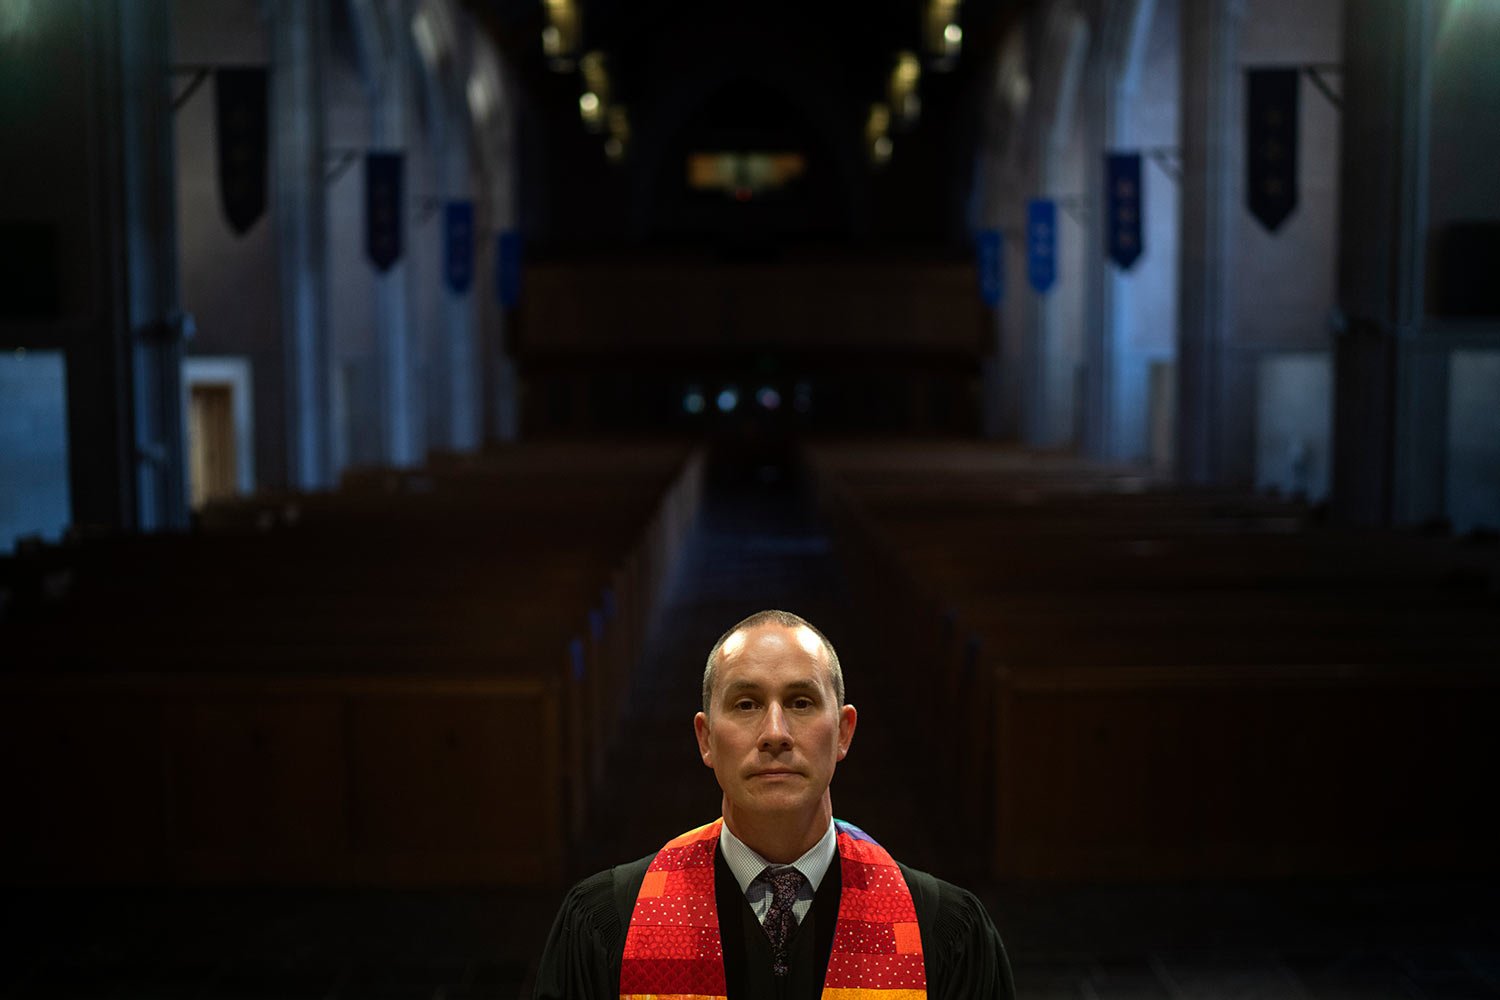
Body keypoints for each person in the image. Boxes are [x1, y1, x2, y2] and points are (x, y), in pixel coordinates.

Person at [533, 609, 1015, 1000]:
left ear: (844, 732)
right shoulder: (607, 922)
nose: (775, 734)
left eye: (801, 702)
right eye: (746, 704)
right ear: (705, 739)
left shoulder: (945, 932)